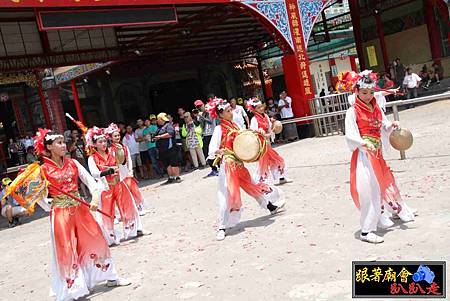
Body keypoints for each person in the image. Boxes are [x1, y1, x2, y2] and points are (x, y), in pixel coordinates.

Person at [33, 128, 130, 301]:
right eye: (59, 143)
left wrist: (94, 198)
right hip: (60, 213)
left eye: (63, 142)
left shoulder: (73, 163)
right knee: (66, 247)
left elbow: (91, 182)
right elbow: (38, 195)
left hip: (80, 208)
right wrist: (49, 205)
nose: (63, 146)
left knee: (95, 239)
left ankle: (110, 276)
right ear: (49, 147)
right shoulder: (42, 170)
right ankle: (73, 288)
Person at [344, 71, 416, 244]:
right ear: (356, 91)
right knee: (370, 190)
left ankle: (387, 213)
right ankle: (366, 230)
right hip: (364, 155)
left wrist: (392, 125)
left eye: (370, 92)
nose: (368, 96)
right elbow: (350, 135)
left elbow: (383, 124)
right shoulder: (352, 111)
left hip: (377, 153)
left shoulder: (375, 107)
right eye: (364, 93)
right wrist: (362, 143)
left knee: (383, 184)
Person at [206, 98, 285, 241]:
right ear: (220, 114)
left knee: (251, 185)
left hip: (238, 163)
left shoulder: (235, 126)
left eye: (231, 110)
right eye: (228, 111)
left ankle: (269, 206)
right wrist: (220, 151)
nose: (231, 112)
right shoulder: (219, 129)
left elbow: (246, 137)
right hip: (227, 165)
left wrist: (258, 133)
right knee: (227, 194)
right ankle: (222, 227)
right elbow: (212, 150)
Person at [87, 126, 142, 246]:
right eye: (100, 142)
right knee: (106, 213)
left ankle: (132, 231)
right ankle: (110, 238)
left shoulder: (112, 151)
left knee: (128, 206)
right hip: (105, 188)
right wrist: (108, 171)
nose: (103, 144)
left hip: (119, 183)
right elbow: (95, 173)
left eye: (104, 141)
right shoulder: (92, 158)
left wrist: (120, 152)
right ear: (94, 144)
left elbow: (122, 162)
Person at [106, 123, 148, 217]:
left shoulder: (124, 147)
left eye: (118, 135)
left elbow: (128, 158)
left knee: (133, 190)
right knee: (120, 194)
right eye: (115, 136)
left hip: (126, 171)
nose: (117, 137)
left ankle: (139, 207)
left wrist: (130, 170)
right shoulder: (109, 150)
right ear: (110, 137)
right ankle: (122, 212)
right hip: (117, 174)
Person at [247, 98, 292, 185]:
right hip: (261, 145)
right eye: (258, 108)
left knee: (275, 160)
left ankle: (280, 177)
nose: (261, 108)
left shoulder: (265, 116)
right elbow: (253, 131)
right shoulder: (254, 119)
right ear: (254, 109)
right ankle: (260, 181)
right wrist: (260, 131)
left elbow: (270, 127)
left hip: (267, 143)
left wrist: (272, 122)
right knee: (265, 162)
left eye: (261, 106)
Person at [154, 113, 181, 184]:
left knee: (174, 163)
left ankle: (177, 177)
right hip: (162, 150)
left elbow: (170, 134)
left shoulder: (168, 125)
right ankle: (171, 177)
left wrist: (160, 137)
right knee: (167, 164)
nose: (157, 120)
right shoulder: (159, 128)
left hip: (170, 148)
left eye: (159, 119)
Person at [195, 99, 218, 177]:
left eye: (200, 106)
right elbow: (198, 125)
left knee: (215, 152)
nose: (199, 108)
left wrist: (202, 117)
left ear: (203, 104)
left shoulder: (209, 111)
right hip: (205, 134)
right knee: (207, 153)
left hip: (212, 134)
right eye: (197, 107)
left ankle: (219, 168)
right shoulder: (201, 114)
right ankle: (213, 169)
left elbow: (211, 121)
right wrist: (197, 117)